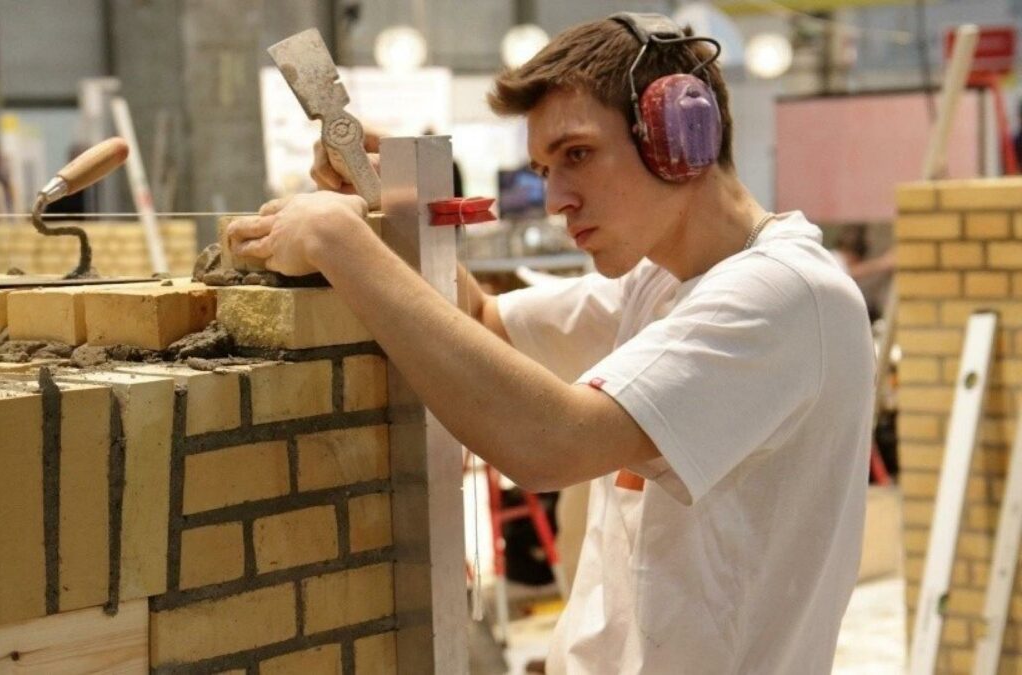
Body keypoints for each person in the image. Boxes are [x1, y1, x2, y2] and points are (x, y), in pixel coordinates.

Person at [229, 13, 874, 673]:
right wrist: (402, 196)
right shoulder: (661, 282)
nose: (556, 197)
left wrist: (341, 245)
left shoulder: (787, 295)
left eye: (577, 154)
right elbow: (480, 321)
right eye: (544, 166)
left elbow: (550, 442)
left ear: (683, 134)